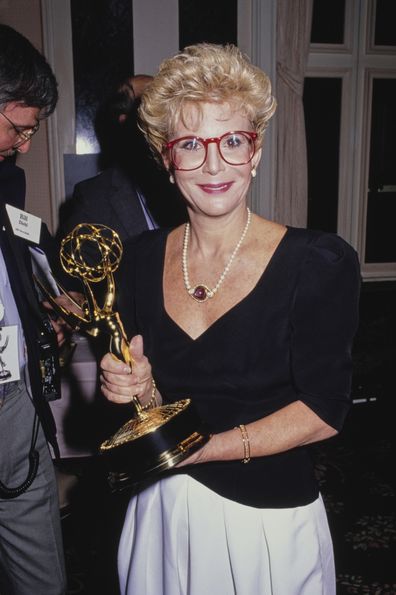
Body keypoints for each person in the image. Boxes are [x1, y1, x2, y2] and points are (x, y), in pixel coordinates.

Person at [99, 43, 360, 595]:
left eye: (232, 140)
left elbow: (324, 410)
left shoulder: (317, 262)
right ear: (167, 159)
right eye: (191, 144)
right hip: (165, 509)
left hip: (266, 520)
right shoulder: (140, 259)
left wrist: (203, 449)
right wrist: (135, 388)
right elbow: (151, 406)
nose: (214, 163)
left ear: (256, 152)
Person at [0, 24, 66, 595]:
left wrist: (45, 317)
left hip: (15, 403)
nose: (24, 146)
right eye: (19, 129)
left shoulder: (8, 184)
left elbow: (21, 264)